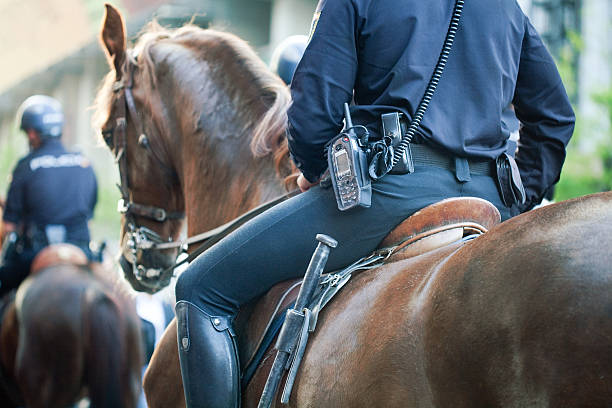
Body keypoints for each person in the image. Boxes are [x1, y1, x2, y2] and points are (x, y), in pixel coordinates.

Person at [175, 1, 575, 406]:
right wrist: (517, 200)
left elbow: (314, 109)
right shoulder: (504, 7)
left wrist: (317, 169)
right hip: (488, 202)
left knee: (199, 288)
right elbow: (555, 117)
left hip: (389, 195)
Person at [0, 95, 98, 296]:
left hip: (33, 254)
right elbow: (88, 215)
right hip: (82, 251)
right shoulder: (84, 164)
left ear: (32, 133)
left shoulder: (25, 167)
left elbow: (9, 226)